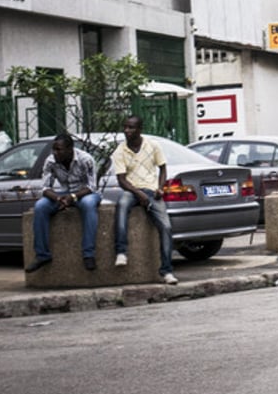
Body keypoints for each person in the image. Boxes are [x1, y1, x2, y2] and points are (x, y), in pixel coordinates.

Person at [111, 115, 177, 285]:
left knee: (166, 227)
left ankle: (167, 271)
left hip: (152, 191)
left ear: (140, 129)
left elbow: (162, 168)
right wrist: (138, 193)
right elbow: (122, 180)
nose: (127, 131)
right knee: (122, 204)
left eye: (131, 128)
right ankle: (121, 252)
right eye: (125, 127)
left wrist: (161, 188)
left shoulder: (153, 146)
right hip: (132, 189)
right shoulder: (120, 151)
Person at [25, 133, 101, 272]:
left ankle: (88, 254)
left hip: (84, 194)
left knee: (89, 205)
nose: (55, 153)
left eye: (58, 149)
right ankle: (42, 255)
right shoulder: (51, 161)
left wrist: (73, 197)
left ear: (70, 149)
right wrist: (58, 198)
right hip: (63, 194)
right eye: (54, 149)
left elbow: (91, 187)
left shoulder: (86, 159)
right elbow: (45, 188)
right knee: (40, 206)